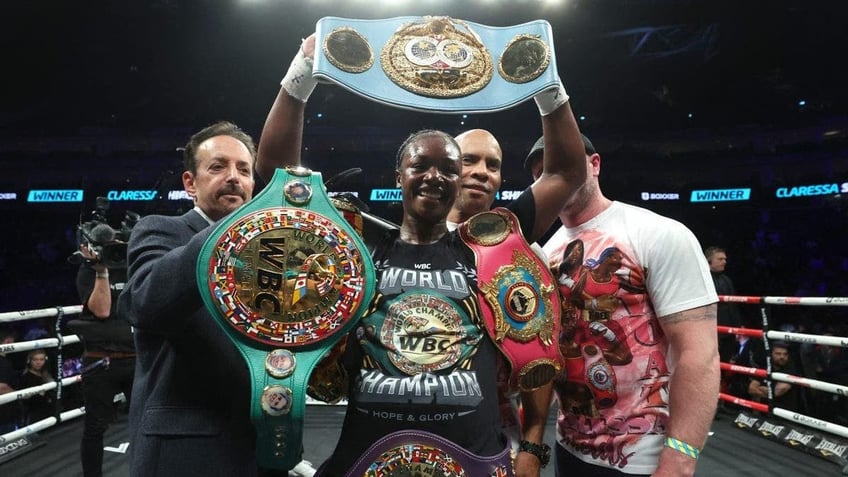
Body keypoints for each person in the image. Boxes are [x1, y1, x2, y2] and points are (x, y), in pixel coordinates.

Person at [256, 33, 587, 477]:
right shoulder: (359, 244)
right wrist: (301, 71)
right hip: (366, 459)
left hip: (474, 460)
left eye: (449, 169)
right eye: (421, 166)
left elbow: (566, 171)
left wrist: (548, 84)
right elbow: (280, 182)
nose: (435, 177)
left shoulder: (492, 251)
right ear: (399, 175)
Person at [522, 134, 720, 476]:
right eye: (543, 174)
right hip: (569, 447)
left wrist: (680, 459)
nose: (554, 178)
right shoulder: (547, 251)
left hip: (643, 457)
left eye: (564, 166)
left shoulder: (658, 233)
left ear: (594, 164)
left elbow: (699, 353)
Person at [119, 121, 262, 476]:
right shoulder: (161, 230)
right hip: (182, 451)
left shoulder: (267, 251)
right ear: (190, 183)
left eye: (243, 170)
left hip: (258, 445)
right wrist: (235, 228)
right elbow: (145, 303)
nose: (233, 177)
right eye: (218, 167)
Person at [72, 237, 136, 477]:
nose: (116, 251)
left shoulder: (135, 265)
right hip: (101, 361)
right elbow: (101, 311)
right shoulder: (88, 271)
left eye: (118, 245)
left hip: (136, 358)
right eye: (110, 247)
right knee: (95, 426)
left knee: (144, 422)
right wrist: (102, 272)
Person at [445, 129, 503, 231]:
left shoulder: (516, 242)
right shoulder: (413, 237)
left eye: (493, 165)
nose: (482, 172)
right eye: (467, 160)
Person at [704, 246, 742, 364]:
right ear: (709, 261)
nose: (724, 262)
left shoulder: (727, 280)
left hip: (728, 330)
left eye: (725, 259)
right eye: (720, 259)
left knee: (726, 360)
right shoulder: (703, 279)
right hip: (711, 328)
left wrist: (737, 326)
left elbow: (733, 305)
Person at [748, 342, 799, 411]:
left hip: (783, 413)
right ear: (771, 354)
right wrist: (771, 395)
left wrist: (761, 389)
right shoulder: (765, 368)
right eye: (778, 354)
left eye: (785, 354)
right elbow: (751, 389)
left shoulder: (790, 370)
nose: (782, 357)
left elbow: (777, 392)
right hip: (764, 412)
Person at [19, 349, 55, 425]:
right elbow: (27, 400)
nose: (38, 362)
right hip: (34, 415)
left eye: (41, 359)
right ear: (29, 361)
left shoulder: (46, 374)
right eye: (35, 359)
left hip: (48, 413)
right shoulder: (26, 377)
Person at [0, 329, 20, 433]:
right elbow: (1, 388)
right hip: (4, 412)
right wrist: (19, 395)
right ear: (7, 342)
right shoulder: (3, 363)